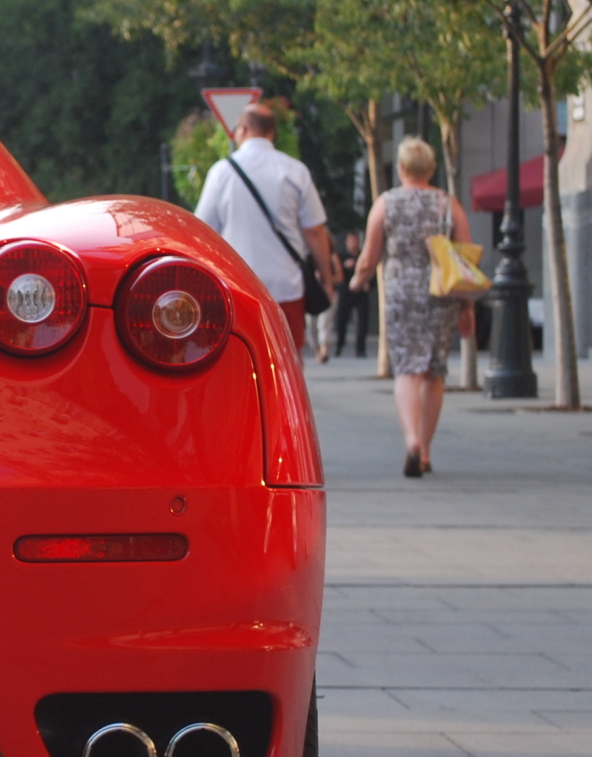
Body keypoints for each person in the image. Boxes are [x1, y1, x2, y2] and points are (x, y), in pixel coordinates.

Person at [350, 135, 473, 478]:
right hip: (441, 294)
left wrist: (358, 281)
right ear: (432, 169)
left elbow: (370, 255)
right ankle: (428, 450)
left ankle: (411, 440)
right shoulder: (449, 205)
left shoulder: (387, 203)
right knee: (433, 372)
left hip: (401, 293)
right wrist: (467, 306)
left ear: (401, 168)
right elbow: (464, 258)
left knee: (407, 369)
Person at [193, 103, 341, 355]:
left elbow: (202, 232)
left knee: (240, 358)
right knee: (287, 362)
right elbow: (315, 232)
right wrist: (327, 280)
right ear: (272, 133)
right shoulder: (296, 171)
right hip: (286, 286)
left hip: (236, 287)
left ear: (242, 130)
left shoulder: (221, 173)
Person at [325, 228, 374, 361]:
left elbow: (372, 272)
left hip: (361, 293)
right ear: (347, 242)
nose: (353, 243)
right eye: (351, 240)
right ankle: (340, 346)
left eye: (356, 241)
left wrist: (368, 284)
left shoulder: (363, 256)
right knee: (342, 320)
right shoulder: (340, 256)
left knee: (362, 321)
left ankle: (360, 349)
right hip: (345, 293)